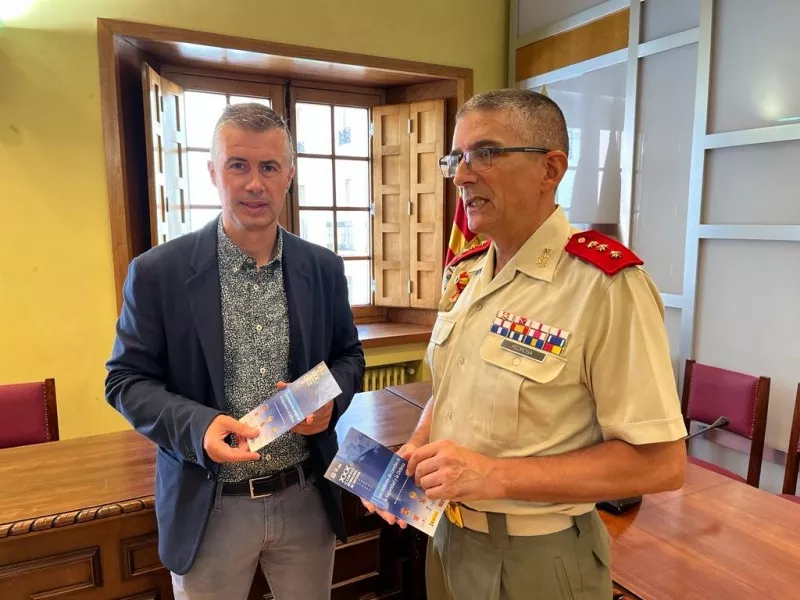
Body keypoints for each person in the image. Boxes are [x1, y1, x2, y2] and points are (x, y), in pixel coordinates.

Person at [364, 89, 688, 599]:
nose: (462, 175)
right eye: (458, 158)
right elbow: (453, 385)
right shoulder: (467, 273)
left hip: (539, 560)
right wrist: (418, 445)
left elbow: (662, 464)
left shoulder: (603, 286)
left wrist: (493, 475)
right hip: (448, 539)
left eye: (486, 154)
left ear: (551, 169)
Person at [106, 103, 365, 600]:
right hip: (209, 504)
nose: (254, 184)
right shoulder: (158, 273)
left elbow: (348, 358)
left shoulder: (323, 268)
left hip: (305, 496)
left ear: (288, 175)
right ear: (212, 172)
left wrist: (328, 401)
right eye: (238, 165)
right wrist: (198, 425)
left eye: (269, 167)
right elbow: (125, 382)